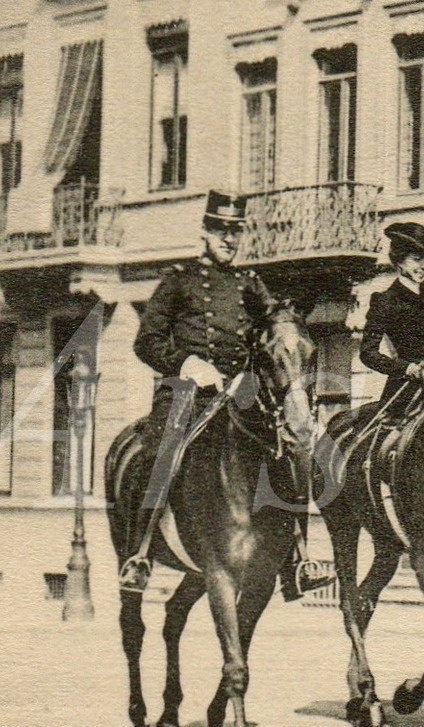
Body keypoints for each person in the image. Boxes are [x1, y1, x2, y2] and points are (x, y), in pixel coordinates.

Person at [120, 190, 322, 600]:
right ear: (206, 232)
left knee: (288, 450)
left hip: (239, 391)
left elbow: (271, 321)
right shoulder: (179, 280)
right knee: (163, 451)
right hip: (186, 391)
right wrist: (186, 364)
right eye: (221, 230)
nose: (229, 239)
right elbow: (147, 341)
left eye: (235, 232)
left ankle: (298, 558)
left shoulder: (249, 283)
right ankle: (140, 554)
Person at [358, 221, 424, 421]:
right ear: (398, 261)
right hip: (407, 385)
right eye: (416, 259)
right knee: (391, 439)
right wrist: (406, 368)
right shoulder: (385, 301)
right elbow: (368, 353)